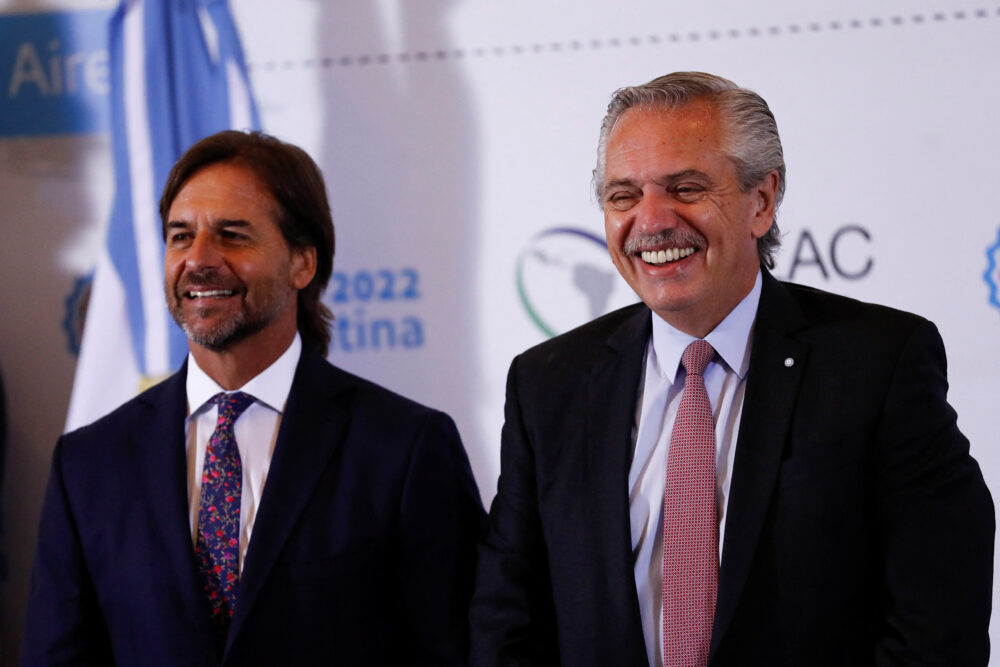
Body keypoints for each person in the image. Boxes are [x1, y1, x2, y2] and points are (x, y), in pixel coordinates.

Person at [469, 72, 994, 666]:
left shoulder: (879, 363)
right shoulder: (549, 384)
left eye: (686, 188)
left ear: (762, 200)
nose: (652, 220)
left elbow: (939, 624)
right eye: (623, 196)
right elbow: (506, 621)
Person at [24, 130, 485, 666]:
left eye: (232, 235)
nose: (198, 260)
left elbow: (457, 653)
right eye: (180, 236)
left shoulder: (403, 449)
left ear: (302, 263)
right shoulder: (87, 465)